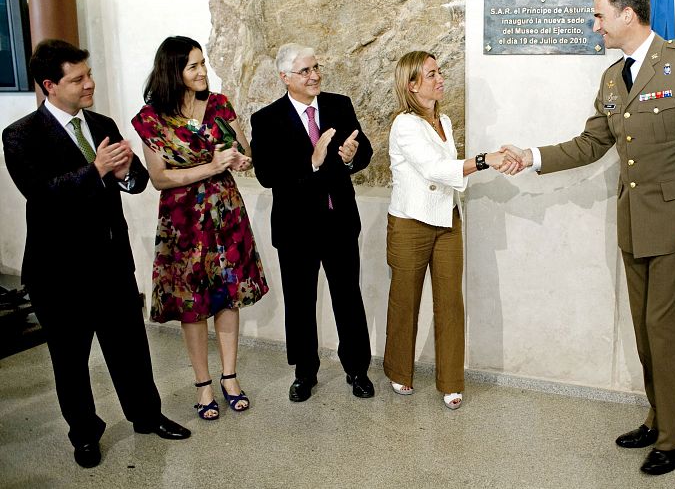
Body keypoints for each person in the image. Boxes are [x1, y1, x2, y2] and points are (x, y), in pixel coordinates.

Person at [504, 0, 675, 475]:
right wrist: (532, 156)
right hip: (633, 226)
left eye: (600, 15)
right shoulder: (612, 78)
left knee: (665, 333)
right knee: (648, 336)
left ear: (629, 14)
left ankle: (674, 437)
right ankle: (659, 415)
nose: (595, 24)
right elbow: (590, 144)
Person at [2, 39, 190, 469]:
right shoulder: (20, 136)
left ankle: (146, 415)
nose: (90, 84)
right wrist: (98, 170)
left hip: (111, 264)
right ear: (50, 85)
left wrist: (125, 172)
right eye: (78, 79)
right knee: (70, 361)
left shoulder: (102, 122)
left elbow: (137, 181)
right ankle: (85, 434)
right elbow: (43, 194)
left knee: (130, 349)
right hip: (59, 273)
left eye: (89, 74)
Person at [131, 36, 268, 421]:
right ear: (173, 71)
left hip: (225, 212)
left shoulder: (220, 104)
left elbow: (243, 150)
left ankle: (230, 377)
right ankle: (202, 383)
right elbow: (159, 178)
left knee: (228, 295)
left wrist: (240, 160)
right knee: (193, 304)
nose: (202, 71)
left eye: (203, 63)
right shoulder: (151, 118)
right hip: (184, 221)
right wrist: (211, 166)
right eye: (193, 66)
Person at [383, 51, 520, 410]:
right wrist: (484, 160)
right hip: (410, 223)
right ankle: (399, 371)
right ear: (412, 85)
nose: (440, 78)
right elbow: (435, 169)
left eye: (438, 71)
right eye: (431, 74)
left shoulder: (443, 118)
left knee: (450, 303)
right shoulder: (404, 124)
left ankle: (451, 381)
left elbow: (448, 173)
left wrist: (484, 163)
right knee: (405, 301)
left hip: (447, 220)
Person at [250, 43, 374, 402]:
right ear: (285, 77)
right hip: (296, 230)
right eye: (305, 71)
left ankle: (357, 369)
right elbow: (268, 174)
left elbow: (361, 149)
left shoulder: (339, 105)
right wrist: (313, 161)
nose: (315, 75)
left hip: (339, 223)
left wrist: (351, 158)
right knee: (300, 304)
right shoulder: (266, 119)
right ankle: (305, 373)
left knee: (348, 299)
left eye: (316, 67)